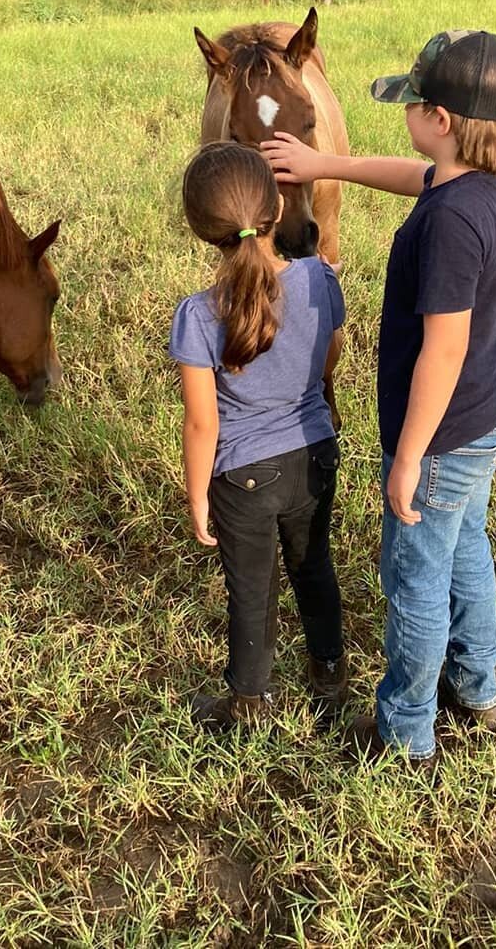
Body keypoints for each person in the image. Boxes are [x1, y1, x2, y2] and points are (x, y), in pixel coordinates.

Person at [262, 30, 496, 764]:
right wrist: (326, 165)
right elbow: (412, 175)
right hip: (490, 405)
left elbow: (443, 350)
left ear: (441, 122)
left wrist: (409, 456)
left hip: (443, 434)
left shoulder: (449, 223)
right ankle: (476, 691)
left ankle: (407, 730)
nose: (406, 114)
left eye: (413, 103)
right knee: (466, 543)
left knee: (413, 577)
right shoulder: (478, 182)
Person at [169, 142, 347, 732]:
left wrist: (197, 496)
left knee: (251, 588)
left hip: (242, 477)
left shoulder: (198, 315)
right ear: (277, 205)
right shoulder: (322, 278)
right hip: (316, 453)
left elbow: (203, 423)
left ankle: (250, 703)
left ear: (201, 229)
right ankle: (330, 676)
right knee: (313, 566)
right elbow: (328, 360)